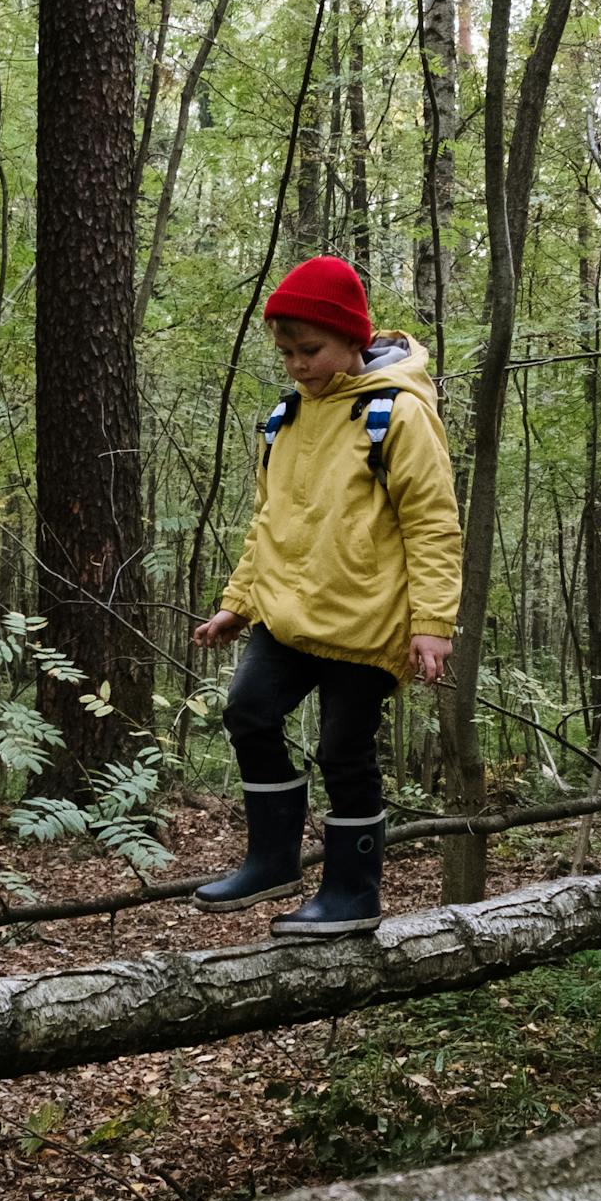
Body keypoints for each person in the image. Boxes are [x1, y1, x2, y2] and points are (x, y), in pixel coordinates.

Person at [192, 254, 463, 935]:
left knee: (345, 753)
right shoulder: (284, 418)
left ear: (350, 339)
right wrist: (238, 601)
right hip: (285, 615)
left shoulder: (396, 413)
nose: (295, 364)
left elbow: (432, 522)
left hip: (367, 624)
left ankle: (351, 893)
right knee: (248, 713)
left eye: (308, 349)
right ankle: (273, 859)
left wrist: (431, 622)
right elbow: (269, 522)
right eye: (285, 352)